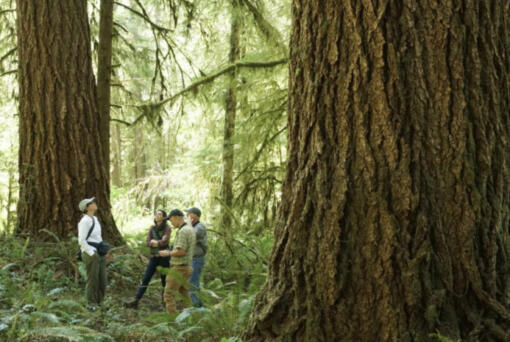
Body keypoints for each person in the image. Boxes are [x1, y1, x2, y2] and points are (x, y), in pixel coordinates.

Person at [124, 209, 171, 309]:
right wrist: (154, 243)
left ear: (163, 217)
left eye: (159, 214)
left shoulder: (167, 228)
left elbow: (165, 241)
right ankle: (136, 300)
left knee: (164, 281)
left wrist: (157, 243)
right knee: (146, 279)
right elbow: (147, 242)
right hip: (154, 257)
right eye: (156, 214)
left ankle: (165, 303)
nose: (157, 216)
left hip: (164, 258)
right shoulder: (152, 228)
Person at [158, 209, 196, 315]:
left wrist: (168, 253)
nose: (170, 222)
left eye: (171, 219)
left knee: (168, 295)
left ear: (177, 217)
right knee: (184, 295)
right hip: (186, 267)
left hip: (179, 268)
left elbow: (181, 251)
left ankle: (172, 320)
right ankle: (190, 318)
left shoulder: (184, 231)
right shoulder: (189, 229)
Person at [78, 197, 106, 307]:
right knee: (92, 280)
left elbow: (98, 237)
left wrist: (103, 249)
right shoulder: (84, 221)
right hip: (90, 254)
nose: (94, 203)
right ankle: (91, 303)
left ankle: (100, 301)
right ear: (87, 208)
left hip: (99, 252)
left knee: (102, 279)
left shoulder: (95, 219)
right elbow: (81, 240)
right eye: (92, 203)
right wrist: (91, 253)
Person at [184, 207, 208, 307]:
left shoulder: (200, 226)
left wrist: (188, 224)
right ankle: (196, 305)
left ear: (195, 216)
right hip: (191, 258)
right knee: (190, 282)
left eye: (189, 214)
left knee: (193, 283)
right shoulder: (192, 226)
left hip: (197, 259)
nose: (187, 216)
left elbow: (192, 235)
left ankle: (197, 307)